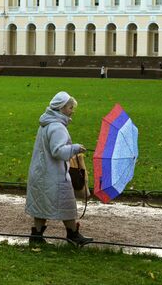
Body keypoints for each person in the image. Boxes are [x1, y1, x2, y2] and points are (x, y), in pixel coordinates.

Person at [25, 91, 93, 246]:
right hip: (54, 175)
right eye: (70, 107)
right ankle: (72, 235)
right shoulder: (57, 127)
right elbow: (58, 151)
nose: (72, 110)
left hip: (41, 172)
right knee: (67, 203)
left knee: (41, 204)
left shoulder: (46, 123)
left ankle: (36, 236)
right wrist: (75, 148)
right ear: (61, 108)